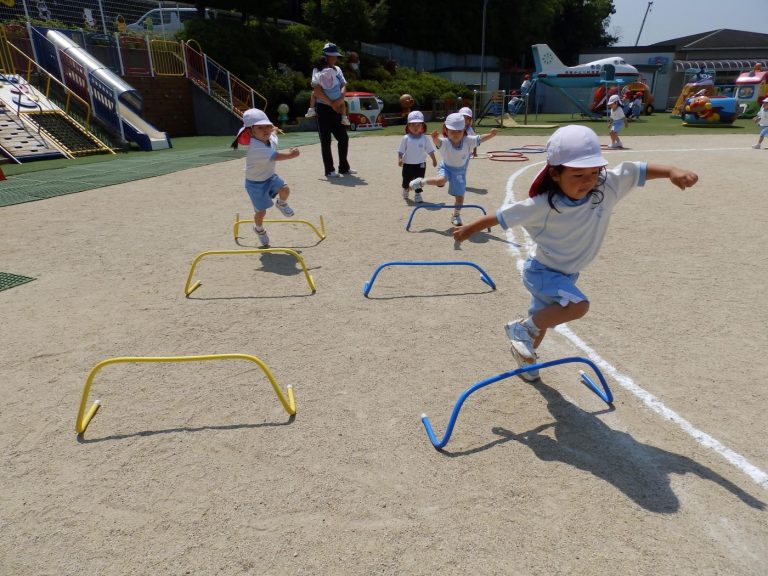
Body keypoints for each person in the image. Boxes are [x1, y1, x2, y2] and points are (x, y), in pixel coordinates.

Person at [453, 125, 698, 381]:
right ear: (555, 174)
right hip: (542, 272)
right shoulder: (542, 205)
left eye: (594, 172)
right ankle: (519, 329)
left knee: (543, 321)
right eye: (578, 174)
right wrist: (469, 228)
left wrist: (672, 171)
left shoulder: (606, 188)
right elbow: (503, 216)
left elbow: (637, 170)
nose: (589, 180)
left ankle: (526, 362)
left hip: (567, 275)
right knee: (578, 306)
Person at [408, 112, 497, 226]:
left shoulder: (468, 140)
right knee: (441, 181)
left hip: (459, 171)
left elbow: (480, 139)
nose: (456, 134)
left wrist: (491, 135)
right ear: (446, 131)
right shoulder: (445, 142)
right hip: (446, 167)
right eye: (452, 131)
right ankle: (421, 182)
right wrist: (435, 138)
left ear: (463, 130)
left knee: (460, 198)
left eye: (459, 131)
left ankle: (456, 215)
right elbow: (438, 143)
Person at [231, 108, 299, 247]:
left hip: (270, 177)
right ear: (250, 131)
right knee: (261, 213)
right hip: (255, 184)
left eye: (267, 126)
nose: (265, 130)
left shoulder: (270, 137)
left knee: (285, 189)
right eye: (260, 127)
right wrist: (292, 154)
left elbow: (273, 134)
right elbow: (276, 156)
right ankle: (259, 230)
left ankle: (281, 203)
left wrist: (273, 129)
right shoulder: (255, 146)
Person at [311, 42, 355, 178]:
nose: (335, 58)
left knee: (343, 138)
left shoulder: (337, 69)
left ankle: (344, 168)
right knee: (326, 141)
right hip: (323, 108)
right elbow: (316, 90)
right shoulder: (317, 70)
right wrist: (332, 103)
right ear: (325, 56)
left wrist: (341, 98)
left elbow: (343, 84)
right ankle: (329, 170)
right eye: (332, 56)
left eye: (336, 56)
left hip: (337, 106)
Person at [398, 110, 437, 203]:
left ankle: (418, 194)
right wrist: (399, 159)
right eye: (412, 125)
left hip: (421, 164)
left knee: (419, 180)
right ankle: (405, 189)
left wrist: (434, 160)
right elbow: (400, 151)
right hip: (407, 164)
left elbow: (430, 150)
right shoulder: (406, 138)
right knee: (406, 180)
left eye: (418, 125)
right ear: (408, 126)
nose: (415, 127)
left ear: (422, 126)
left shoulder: (424, 138)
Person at [305, 56, 350, 126]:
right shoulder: (333, 70)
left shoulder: (318, 73)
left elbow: (314, 84)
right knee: (342, 103)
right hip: (336, 94)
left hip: (325, 95)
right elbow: (339, 79)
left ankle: (311, 109)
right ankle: (344, 118)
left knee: (313, 93)